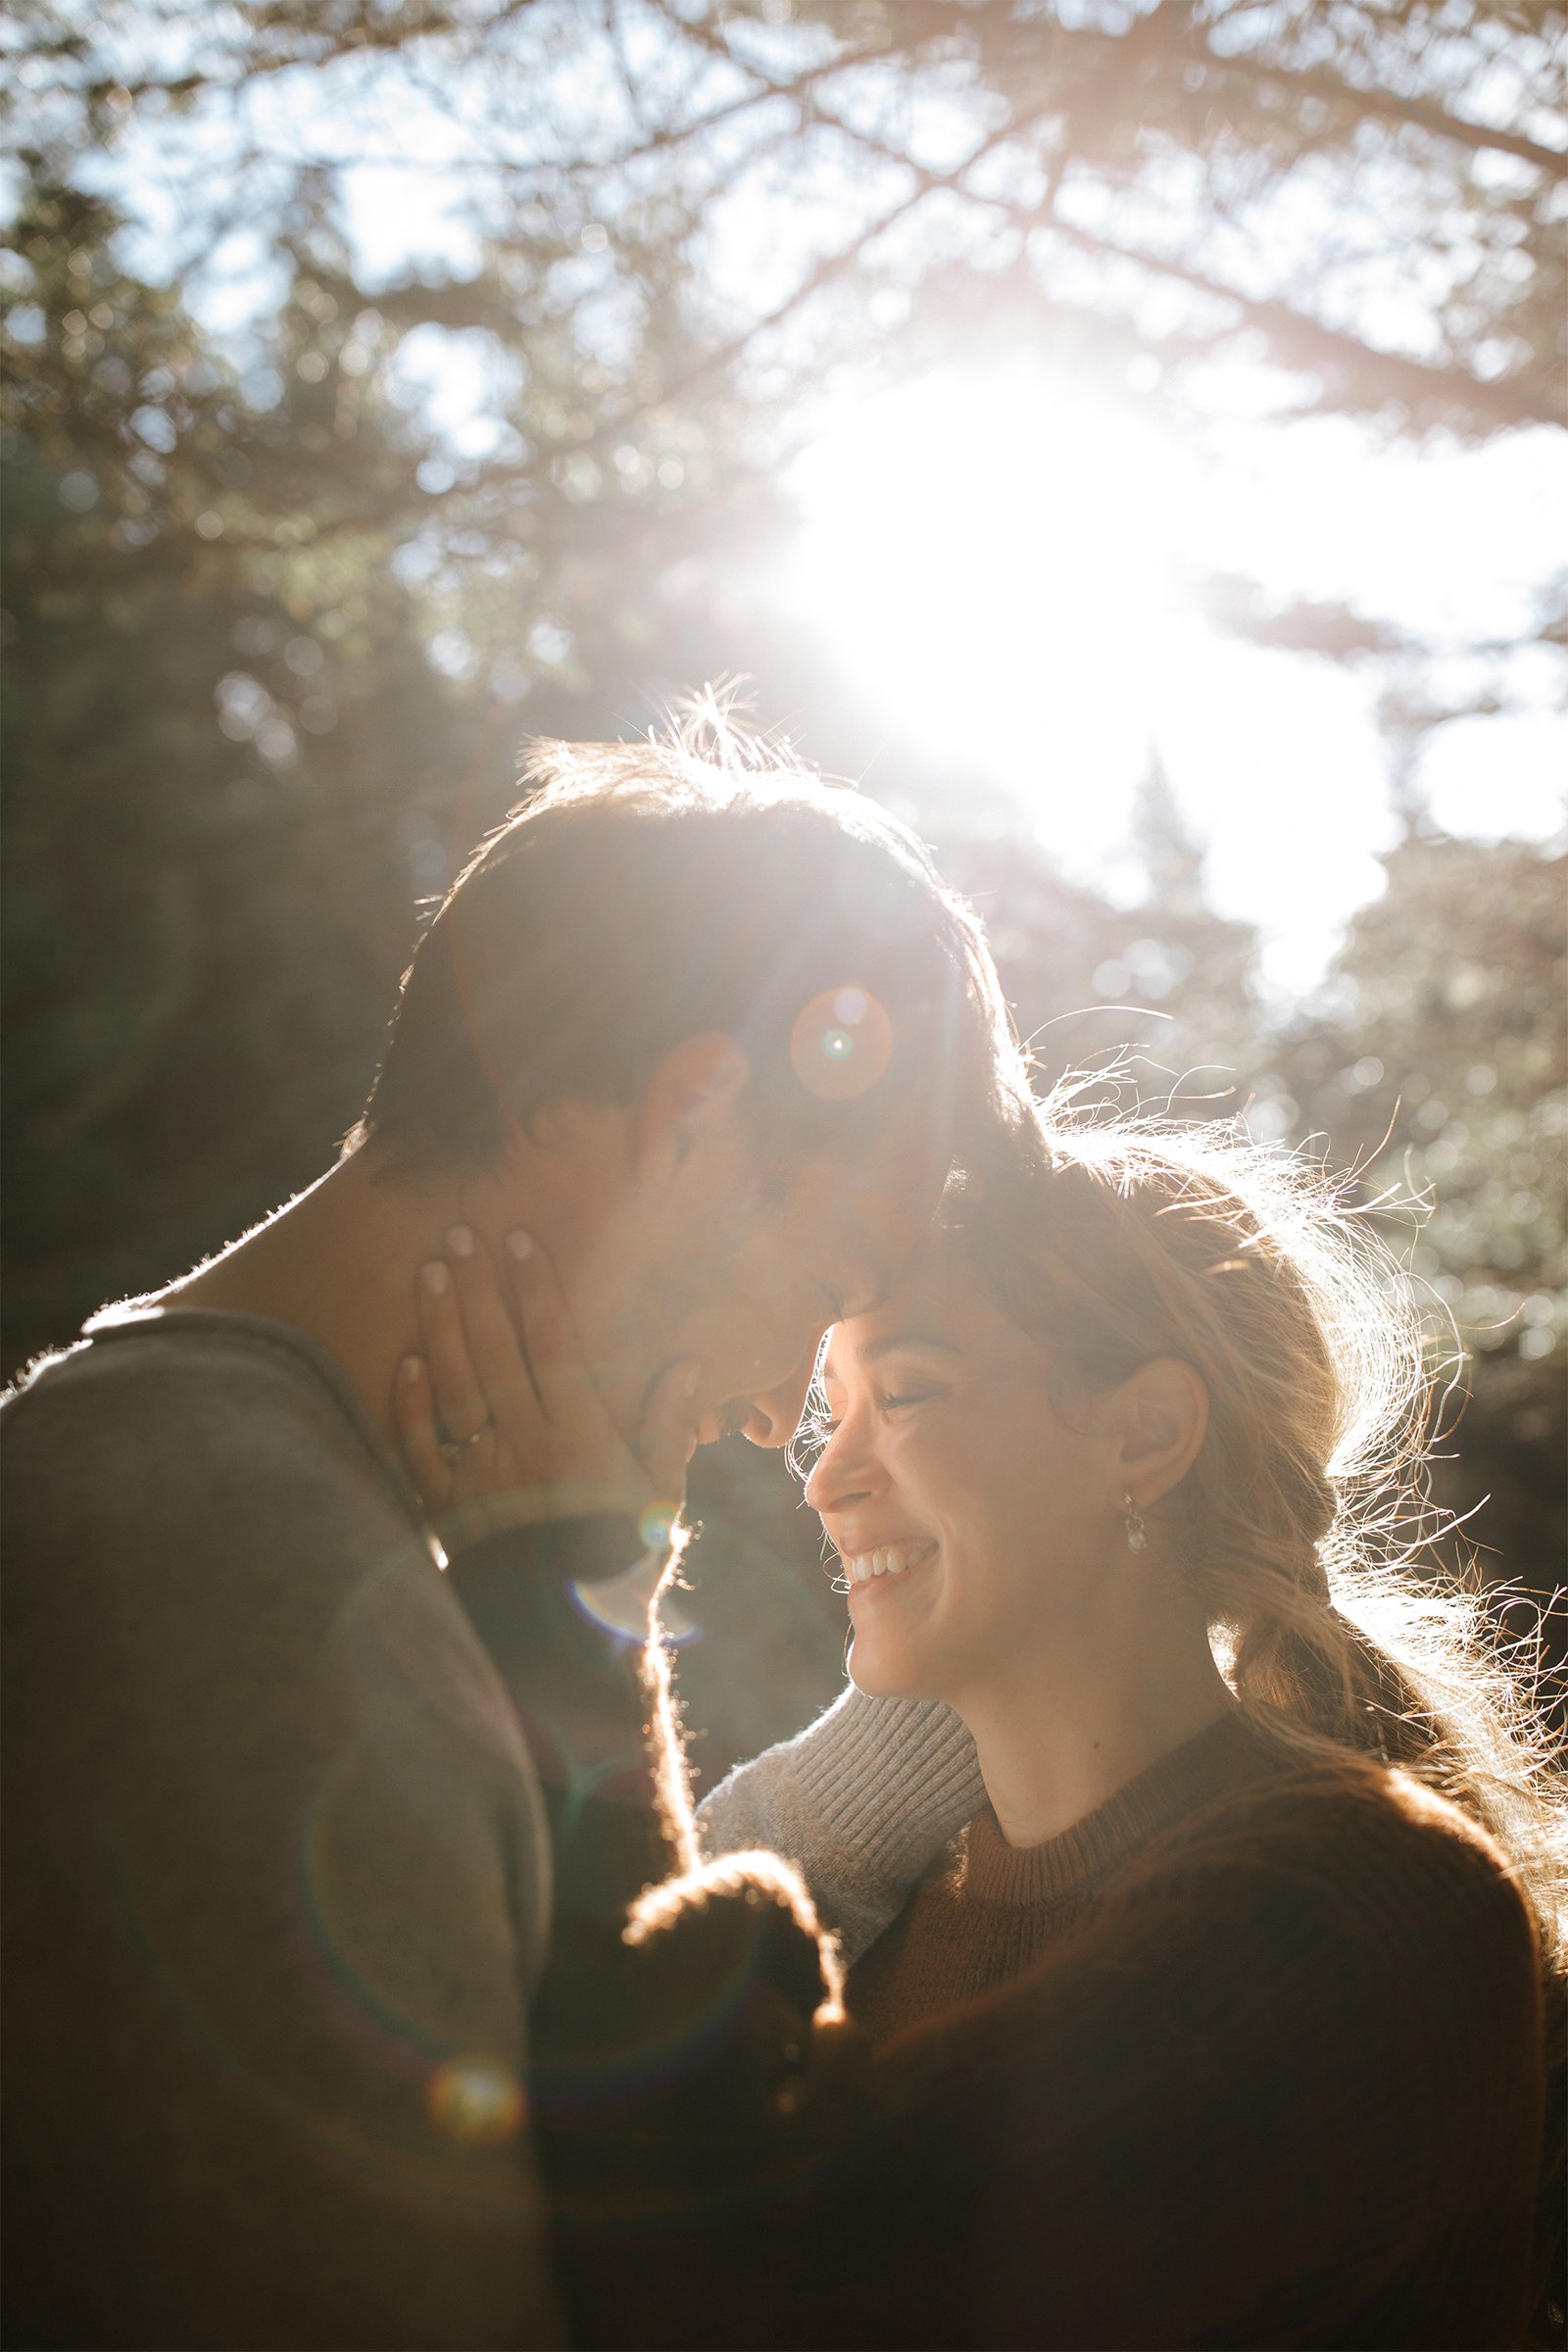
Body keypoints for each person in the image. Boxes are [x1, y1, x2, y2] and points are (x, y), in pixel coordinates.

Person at [0, 713, 1026, 2352]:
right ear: (693, 1127)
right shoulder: (241, 1587)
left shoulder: (227, 1489)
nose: (780, 1414)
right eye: (823, 1292)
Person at [406, 1091, 1566, 2348]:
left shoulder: (1365, 1908)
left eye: (902, 1395)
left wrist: (566, 1603)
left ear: (1145, 1432)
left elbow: (740, 2273)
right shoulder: (900, 1905)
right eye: (826, 1410)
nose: (826, 1478)